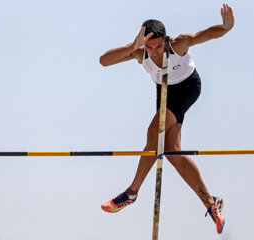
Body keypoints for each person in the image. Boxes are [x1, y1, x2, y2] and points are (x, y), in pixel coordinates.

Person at [99, 4, 234, 234]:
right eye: (149, 47)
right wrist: (132, 46)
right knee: (172, 152)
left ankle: (131, 193)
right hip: (164, 91)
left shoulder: (178, 44)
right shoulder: (139, 52)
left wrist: (227, 26)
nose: (154, 52)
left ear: (166, 40)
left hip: (188, 87)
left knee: (153, 133)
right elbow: (104, 61)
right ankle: (212, 203)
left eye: (159, 46)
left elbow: (207, 34)